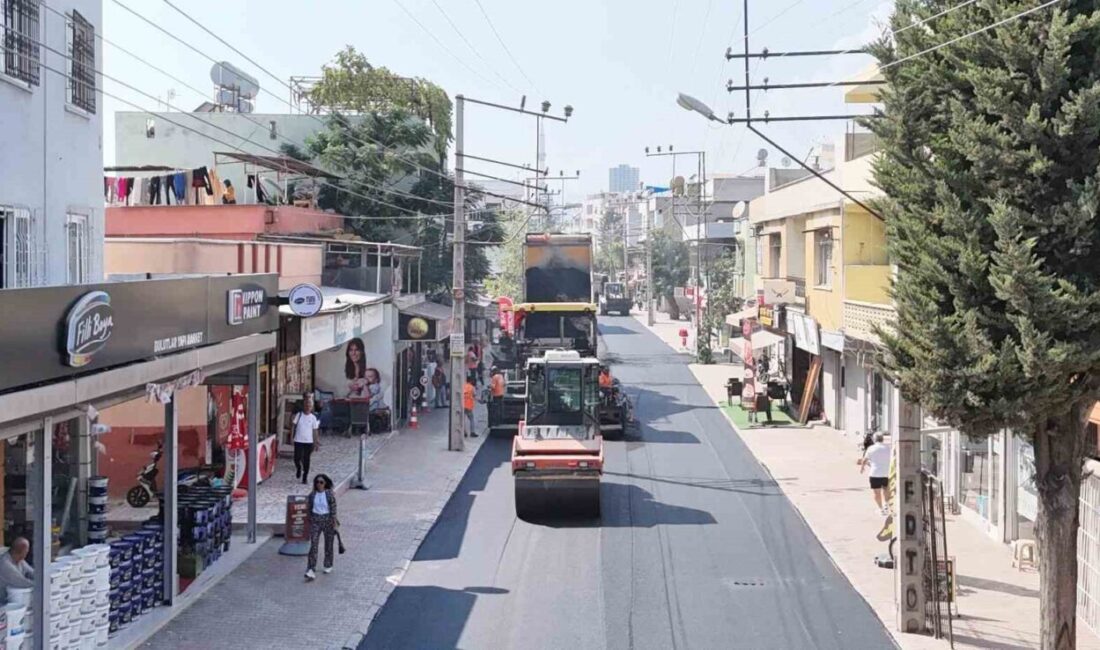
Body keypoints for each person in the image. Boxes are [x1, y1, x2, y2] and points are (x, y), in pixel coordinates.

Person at [305, 474, 338, 581]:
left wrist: (333, 521)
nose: (319, 484)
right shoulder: (312, 495)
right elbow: (309, 508)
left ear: (325, 483)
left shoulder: (329, 494)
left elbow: (333, 508)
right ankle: (311, 569)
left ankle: (328, 564)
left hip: (327, 520)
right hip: (315, 520)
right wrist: (310, 519)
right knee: (314, 544)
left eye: (321, 482)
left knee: (328, 543)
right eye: (317, 482)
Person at [858, 433, 892, 515]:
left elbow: (865, 459)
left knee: (877, 492)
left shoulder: (871, 448)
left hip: (875, 473)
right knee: (886, 489)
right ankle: (886, 505)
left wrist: (862, 468)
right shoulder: (888, 448)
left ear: (874, 439)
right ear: (882, 439)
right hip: (886, 473)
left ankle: (881, 509)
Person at [293, 398, 320, 484]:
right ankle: (298, 468)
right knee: (297, 458)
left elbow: (315, 431)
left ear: (311, 407)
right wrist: (291, 437)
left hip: (309, 441)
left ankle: (305, 476)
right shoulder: (299, 415)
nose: (308, 407)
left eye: (309, 406)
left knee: (306, 459)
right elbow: (293, 426)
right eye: (306, 405)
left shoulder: (313, 418)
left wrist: (316, 442)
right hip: (298, 440)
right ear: (304, 406)